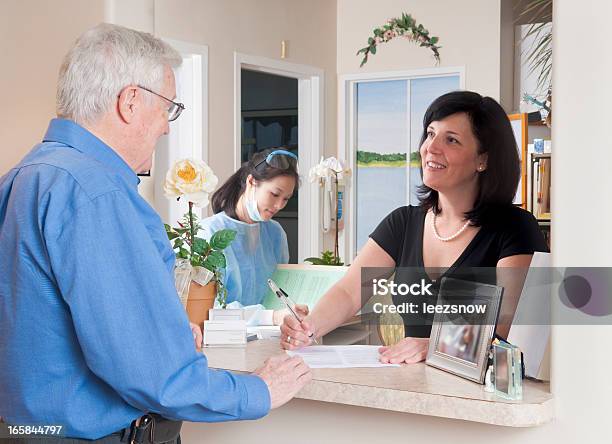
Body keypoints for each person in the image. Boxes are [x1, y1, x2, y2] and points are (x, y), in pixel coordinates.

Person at [0, 23, 310, 442]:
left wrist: (162, 327)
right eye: (167, 108)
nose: (166, 127)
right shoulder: (97, 194)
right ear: (129, 102)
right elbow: (155, 375)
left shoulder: (21, 178)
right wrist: (259, 390)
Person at [280, 90, 548, 364]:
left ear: (484, 160)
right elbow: (349, 292)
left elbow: (507, 325)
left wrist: (435, 345)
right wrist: (309, 327)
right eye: (430, 134)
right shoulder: (402, 223)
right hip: (414, 388)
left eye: (451, 140)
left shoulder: (515, 228)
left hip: (482, 395)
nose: (431, 148)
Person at [202, 148, 304, 325]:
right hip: (223, 341)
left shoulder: (275, 234)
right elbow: (209, 309)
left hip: (270, 338)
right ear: (251, 182)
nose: (279, 205)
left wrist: (291, 309)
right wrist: (269, 317)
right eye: (274, 194)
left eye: (286, 199)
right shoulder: (209, 233)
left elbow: (279, 294)